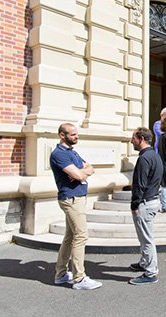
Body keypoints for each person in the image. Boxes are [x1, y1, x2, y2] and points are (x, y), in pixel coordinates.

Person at [50, 123, 102, 290]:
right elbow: (80, 173)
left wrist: (80, 172)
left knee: (69, 237)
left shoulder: (72, 152)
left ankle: (61, 274)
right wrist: (80, 173)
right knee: (81, 236)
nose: (76, 137)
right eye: (72, 135)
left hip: (77, 197)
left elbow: (90, 168)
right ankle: (79, 279)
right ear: (62, 135)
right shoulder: (59, 154)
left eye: (76, 134)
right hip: (71, 199)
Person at [128, 127, 163, 285]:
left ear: (141, 139)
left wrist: (135, 204)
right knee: (144, 237)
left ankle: (151, 272)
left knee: (146, 239)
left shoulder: (143, 159)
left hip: (145, 203)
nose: (131, 141)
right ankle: (144, 263)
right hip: (152, 200)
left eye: (133, 138)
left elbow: (139, 185)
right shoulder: (155, 156)